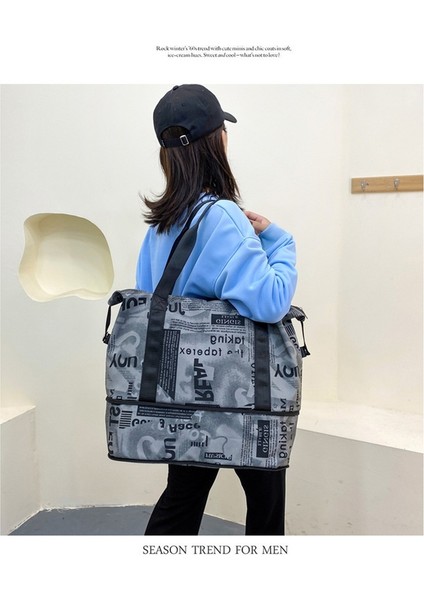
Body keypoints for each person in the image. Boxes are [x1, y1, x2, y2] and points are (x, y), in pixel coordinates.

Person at [136, 84, 297, 535]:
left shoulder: (162, 223)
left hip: (185, 392)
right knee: (265, 502)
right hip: (243, 392)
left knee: (182, 497)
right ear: (216, 141)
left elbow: (150, 298)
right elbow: (270, 302)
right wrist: (281, 241)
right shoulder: (223, 216)